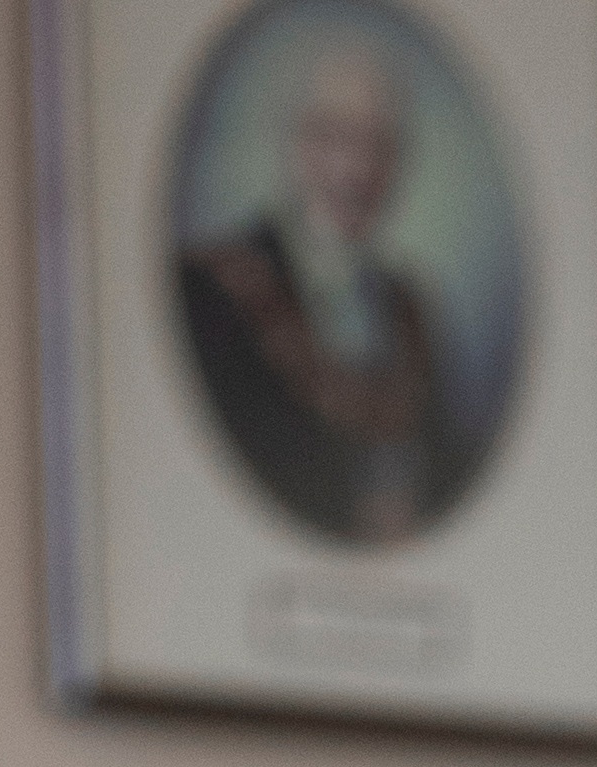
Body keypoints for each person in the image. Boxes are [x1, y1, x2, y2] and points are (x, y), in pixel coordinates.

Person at [176, 28, 485, 551]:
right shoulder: (215, 290)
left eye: (379, 145)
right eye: (336, 137)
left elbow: (445, 472)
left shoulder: (412, 311)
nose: (358, 169)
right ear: (297, 142)